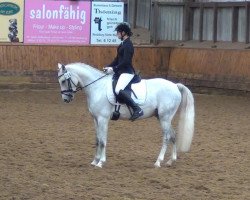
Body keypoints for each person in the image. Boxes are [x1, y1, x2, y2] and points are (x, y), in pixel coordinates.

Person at [104, 22, 143, 121]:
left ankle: (137, 109)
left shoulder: (128, 45)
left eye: (118, 32)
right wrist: (108, 66)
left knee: (118, 90)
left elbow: (126, 61)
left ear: (124, 33)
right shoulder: (122, 44)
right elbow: (117, 60)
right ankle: (116, 110)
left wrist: (114, 69)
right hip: (120, 72)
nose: (117, 33)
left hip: (127, 72)